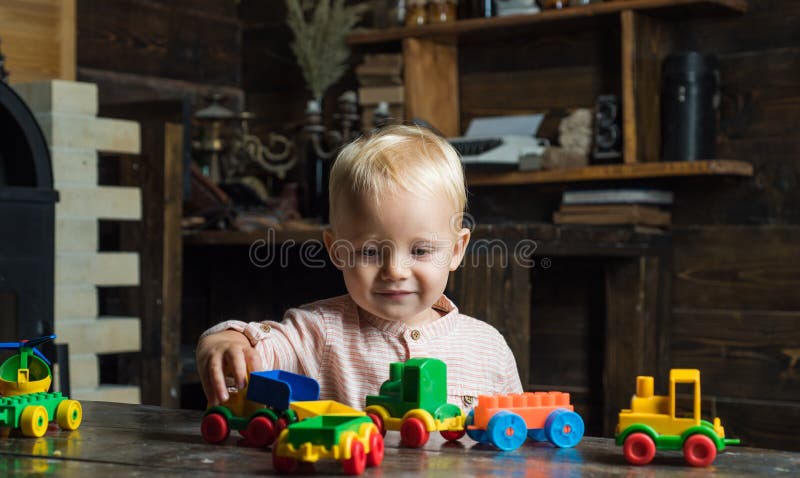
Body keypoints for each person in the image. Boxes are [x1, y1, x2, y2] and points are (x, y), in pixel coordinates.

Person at [196, 124, 523, 410]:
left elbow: (514, 439)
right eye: (369, 252)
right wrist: (226, 342)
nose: (395, 270)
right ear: (336, 250)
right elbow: (256, 346)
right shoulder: (318, 331)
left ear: (455, 250)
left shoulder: (488, 347)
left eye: (420, 250)